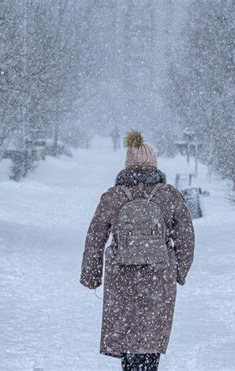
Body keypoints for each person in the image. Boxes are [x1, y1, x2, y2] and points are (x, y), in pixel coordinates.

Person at [80, 131, 195, 370]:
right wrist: (179, 273)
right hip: (159, 276)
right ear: (154, 164)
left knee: (128, 335)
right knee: (151, 337)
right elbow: (186, 238)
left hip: (122, 277)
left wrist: (91, 277)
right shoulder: (169, 195)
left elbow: (95, 238)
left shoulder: (113, 197)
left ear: (127, 165)